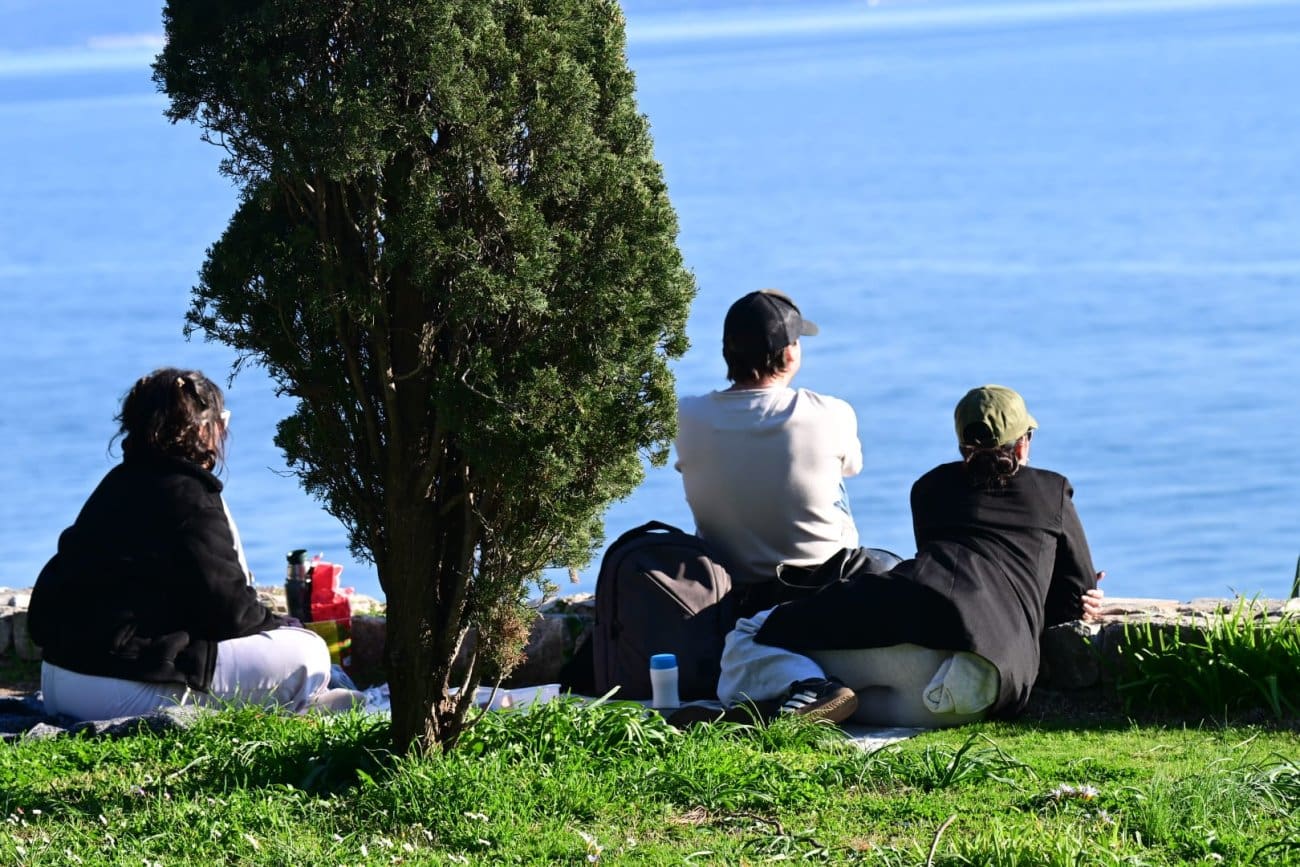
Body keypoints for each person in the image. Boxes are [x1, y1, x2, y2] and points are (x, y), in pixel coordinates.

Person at [710, 384, 1105, 727]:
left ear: (961, 444)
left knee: (750, 633)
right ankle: (798, 702)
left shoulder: (930, 488)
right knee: (869, 701)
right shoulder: (1053, 491)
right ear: (1023, 443)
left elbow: (937, 574)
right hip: (983, 687)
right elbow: (1075, 598)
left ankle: (803, 689)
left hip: (916, 625)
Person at [27, 368, 360, 721]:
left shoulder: (115, 484)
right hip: (111, 688)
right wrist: (278, 624)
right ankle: (309, 704)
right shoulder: (190, 496)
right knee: (308, 654)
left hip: (57, 681)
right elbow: (232, 614)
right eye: (221, 421)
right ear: (202, 429)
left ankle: (303, 704)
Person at [674, 289, 865, 617]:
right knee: (831, 476)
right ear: (790, 354)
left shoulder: (686, 417)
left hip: (731, 592)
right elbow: (853, 468)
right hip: (820, 588)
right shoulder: (830, 413)